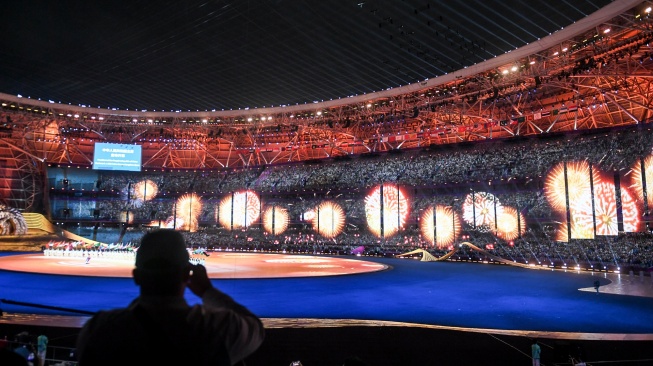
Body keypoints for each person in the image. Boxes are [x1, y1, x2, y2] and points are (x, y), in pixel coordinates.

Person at [76, 229, 265, 366]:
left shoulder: (100, 329)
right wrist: (207, 290)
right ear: (187, 274)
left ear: (136, 276)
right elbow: (256, 328)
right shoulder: (217, 329)